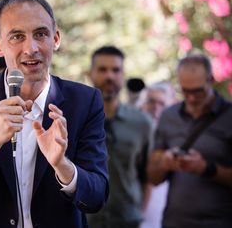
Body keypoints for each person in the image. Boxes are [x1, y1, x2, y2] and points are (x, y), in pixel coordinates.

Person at [0, 0, 109, 228]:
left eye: (40, 34)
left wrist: (62, 165)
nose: (31, 48)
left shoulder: (85, 100)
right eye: (17, 36)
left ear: (56, 39)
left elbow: (97, 197)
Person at [147, 54, 232, 228]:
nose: (191, 98)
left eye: (198, 91)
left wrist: (206, 168)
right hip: (174, 221)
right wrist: (164, 163)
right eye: (186, 91)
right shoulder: (168, 116)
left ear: (211, 80)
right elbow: (152, 177)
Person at [86, 46, 152, 228]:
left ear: (123, 75)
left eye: (116, 70)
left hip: (127, 220)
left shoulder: (141, 123)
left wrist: (140, 214)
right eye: (102, 69)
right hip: (84, 221)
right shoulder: (74, 118)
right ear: (90, 74)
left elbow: (147, 176)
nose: (110, 76)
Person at [138, 81, 176, 228]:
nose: (156, 108)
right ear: (142, 105)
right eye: (151, 102)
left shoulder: (176, 138)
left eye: (162, 104)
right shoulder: (132, 135)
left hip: (162, 212)